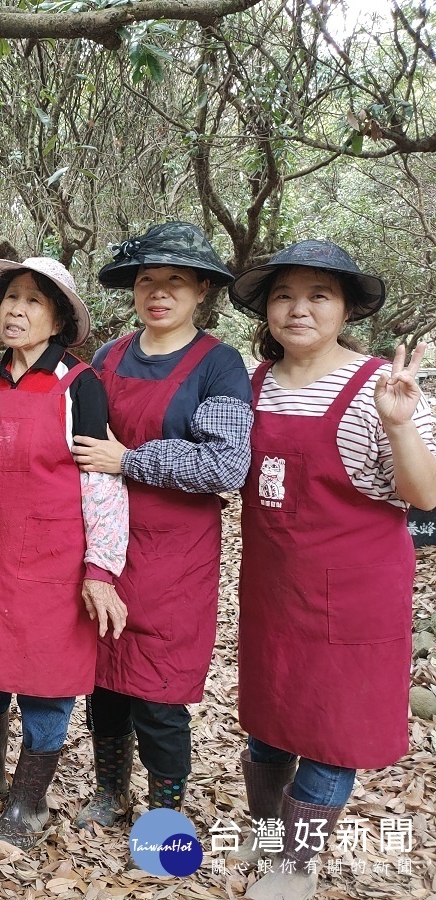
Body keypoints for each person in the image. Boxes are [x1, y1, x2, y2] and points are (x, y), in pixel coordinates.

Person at [226, 241, 436, 900]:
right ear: (266, 309)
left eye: (319, 295)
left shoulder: (383, 386)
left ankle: (294, 869)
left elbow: (424, 494)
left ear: (345, 308)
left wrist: (399, 425)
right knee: (267, 725)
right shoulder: (250, 385)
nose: (299, 309)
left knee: (330, 734)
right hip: (272, 589)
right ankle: (268, 843)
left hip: (355, 595)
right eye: (285, 295)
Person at [0, 257, 129, 849]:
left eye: (33, 301)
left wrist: (101, 570)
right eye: (9, 298)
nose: (15, 310)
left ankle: (28, 803)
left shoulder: (80, 386)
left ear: (59, 318)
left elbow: (103, 485)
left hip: (54, 564)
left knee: (47, 685)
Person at [72, 222, 253, 827]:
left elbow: (227, 462)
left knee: (160, 694)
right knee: (103, 684)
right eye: (146, 280)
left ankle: (164, 817)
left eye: (174, 281)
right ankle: (109, 792)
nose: (158, 293)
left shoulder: (219, 365)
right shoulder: (109, 357)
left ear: (201, 288)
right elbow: (81, 443)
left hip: (177, 556)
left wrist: (131, 460)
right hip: (106, 544)